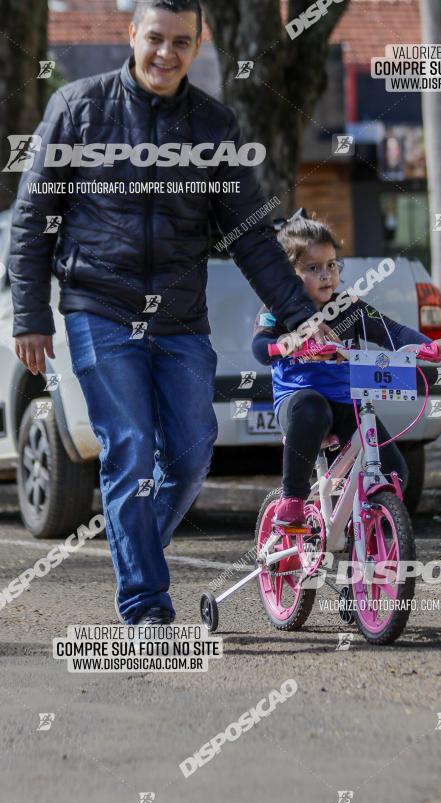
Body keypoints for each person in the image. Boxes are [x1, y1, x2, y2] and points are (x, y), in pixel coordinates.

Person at [8, 0, 324, 627]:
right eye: (155, 38)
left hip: (180, 319)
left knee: (189, 452)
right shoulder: (77, 110)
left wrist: (299, 315)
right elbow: (32, 219)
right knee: (130, 446)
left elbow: (252, 236)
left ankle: (137, 544)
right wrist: (29, 316)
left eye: (181, 42)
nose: (166, 53)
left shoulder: (214, 127)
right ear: (132, 35)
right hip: (98, 306)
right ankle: (147, 604)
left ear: (199, 44)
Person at [252, 214, 441, 525]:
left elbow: (394, 332)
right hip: (299, 406)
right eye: (313, 268)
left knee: (394, 471)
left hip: (347, 402)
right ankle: (292, 498)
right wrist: (285, 343)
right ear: (289, 275)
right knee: (311, 407)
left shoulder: (350, 308)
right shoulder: (276, 311)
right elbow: (260, 347)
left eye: (332, 265)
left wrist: (431, 346)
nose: (326, 275)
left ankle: (362, 523)